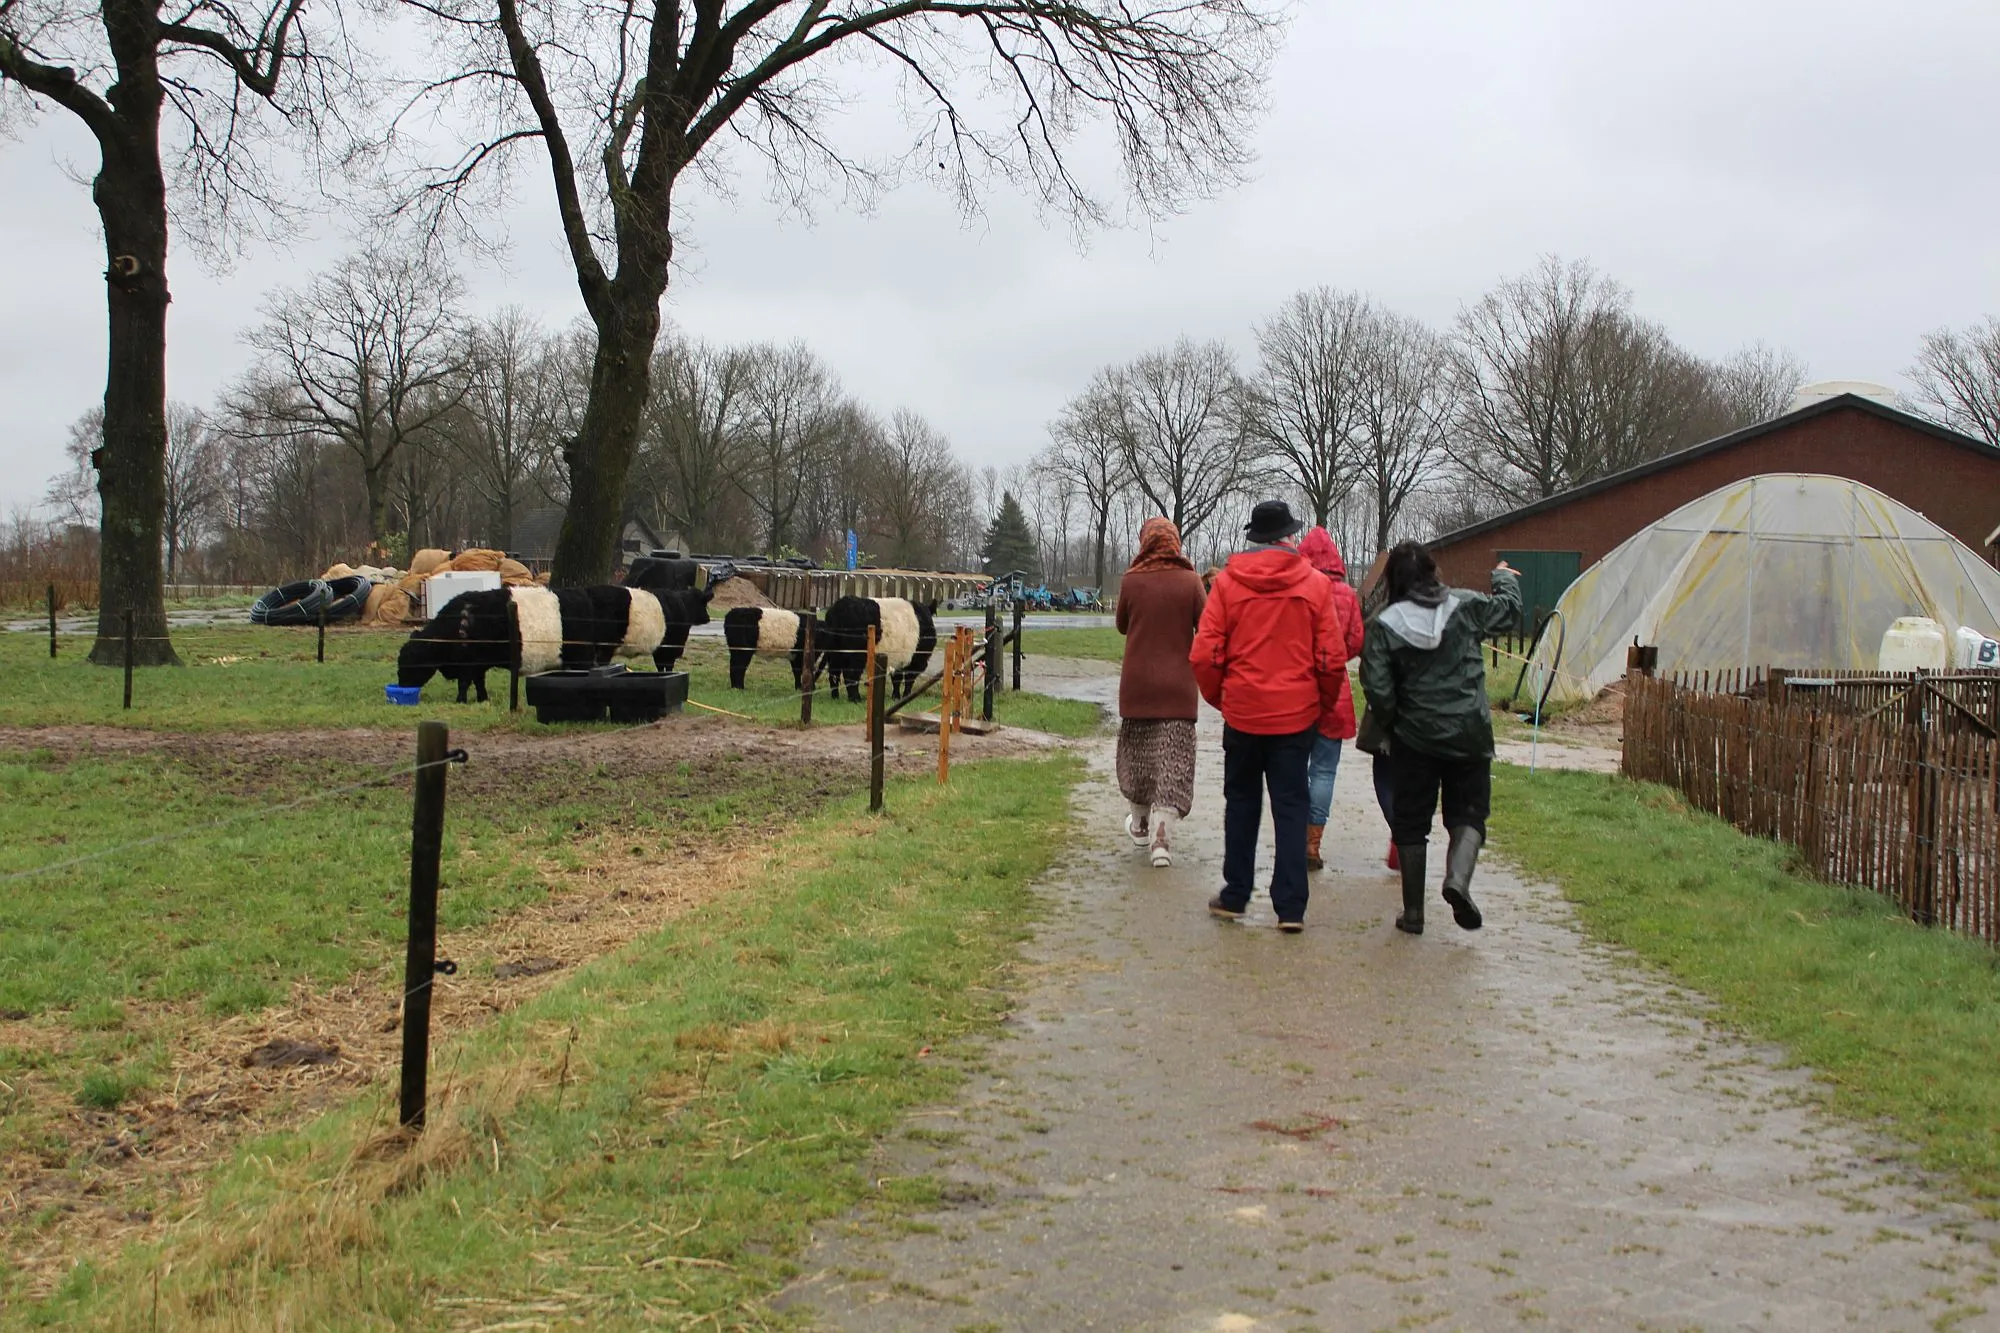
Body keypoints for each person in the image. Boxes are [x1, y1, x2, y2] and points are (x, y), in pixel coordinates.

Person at [1190, 500, 1347, 932]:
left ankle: (1236, 894)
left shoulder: (1226, 584)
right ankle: (1291, 907)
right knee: (1292, 806)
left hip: (1243, 712)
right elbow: (1331, 660)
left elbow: (1204, 653)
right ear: (1288, 538)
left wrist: (1222, 697)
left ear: (1255, 538)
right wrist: (1320, 702)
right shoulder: (1315, 585)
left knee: (1241, 804)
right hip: (1296, 716)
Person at [1359, 541, 1521, 935]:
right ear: (1433, 572)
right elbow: (1508, 612)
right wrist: (1504, 578)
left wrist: (1396, 721)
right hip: (1469, 733)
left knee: (1412, 822)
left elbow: (1376, 687)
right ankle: (1458, 882)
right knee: (1469, 813)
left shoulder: (1384, 625)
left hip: (1415, 739)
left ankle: (1414, 914)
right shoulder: (1465, 606)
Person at [1115, 517, 1207, 868]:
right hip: (1179, 688)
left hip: (1137, 685)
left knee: (1138, 757)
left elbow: (1123, 624)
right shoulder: (1190, 579)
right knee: (1173, 760)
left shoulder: (1131, 579)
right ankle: (1162, 839)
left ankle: (1139, 823)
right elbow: (1207, 622)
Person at [1296, 527, 1364, 871]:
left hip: (1296, 692)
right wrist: (1334, 657)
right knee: (1323, 771)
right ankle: (1312, 843)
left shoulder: (1295, 590)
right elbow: (1355, 641)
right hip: (1334, 692)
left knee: (1292, 769)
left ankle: (1292, 838)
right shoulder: (1347, 595)